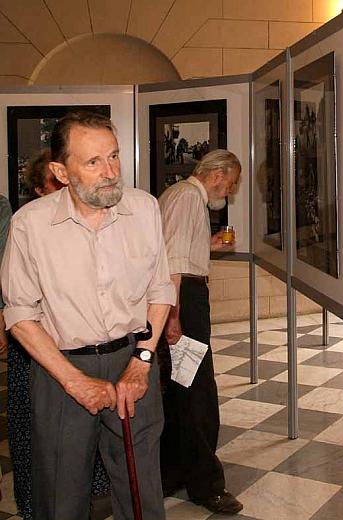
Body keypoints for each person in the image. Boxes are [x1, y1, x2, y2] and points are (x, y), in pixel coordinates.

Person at [1, 111, 174, 519]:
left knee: (142, 488)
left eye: (113, 157)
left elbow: (161, 289)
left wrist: (142, 361)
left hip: (134, 361)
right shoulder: (31, 225)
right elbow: (20, 314)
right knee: (61, 492)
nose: (110, 172)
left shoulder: (144, 208)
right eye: (93, 162)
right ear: (61, 171)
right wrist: (74, 381)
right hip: (61, 368)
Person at [7, 150, 110, 519]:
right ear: (39, 188)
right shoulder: (27, 225)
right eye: (54, 184)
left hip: (81, 349)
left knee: (87, 429)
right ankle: (37, 504)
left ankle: (90, 499)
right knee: (35, 430)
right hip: (33, 346)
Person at [157, 150, 243, 514]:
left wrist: (208, 247)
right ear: (217, 174)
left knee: (179, 388)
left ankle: (172, 471)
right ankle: (206, 484)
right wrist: (174, 317)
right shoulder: (190, 199)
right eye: (232, 181)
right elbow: (175, 264)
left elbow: (177, 249)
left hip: (180, 298)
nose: (232, 189)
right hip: (184, 301)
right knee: (197, 393)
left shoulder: (179, 195)